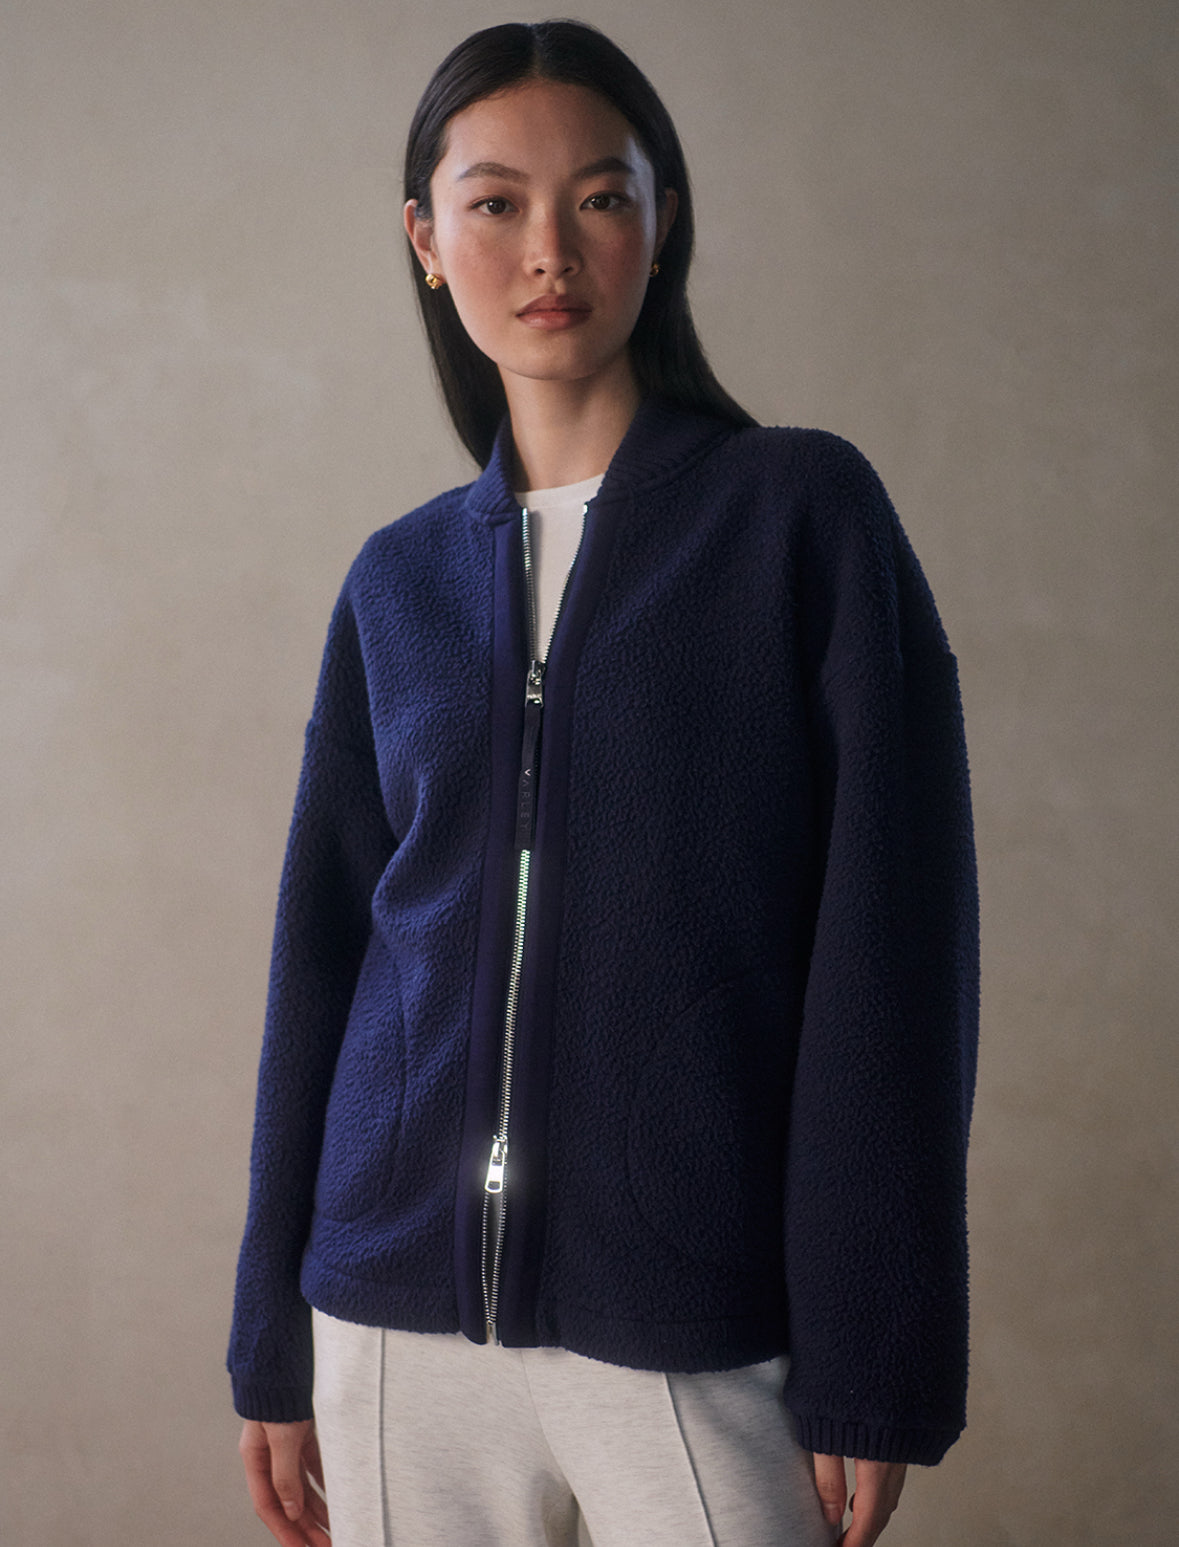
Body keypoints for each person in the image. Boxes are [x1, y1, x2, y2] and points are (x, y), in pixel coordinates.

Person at [228, 19, 978, 1547]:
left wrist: (871, 1352)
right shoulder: (397, 582)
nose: (549, 251)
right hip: (390, 1319)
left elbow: (894, 953)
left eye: (601, 197)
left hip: (691, 1313)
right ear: (426, 239)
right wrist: (269, 1338)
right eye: (496, 202)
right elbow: (320, 963)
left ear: (664, 219)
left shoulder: (799, 517)